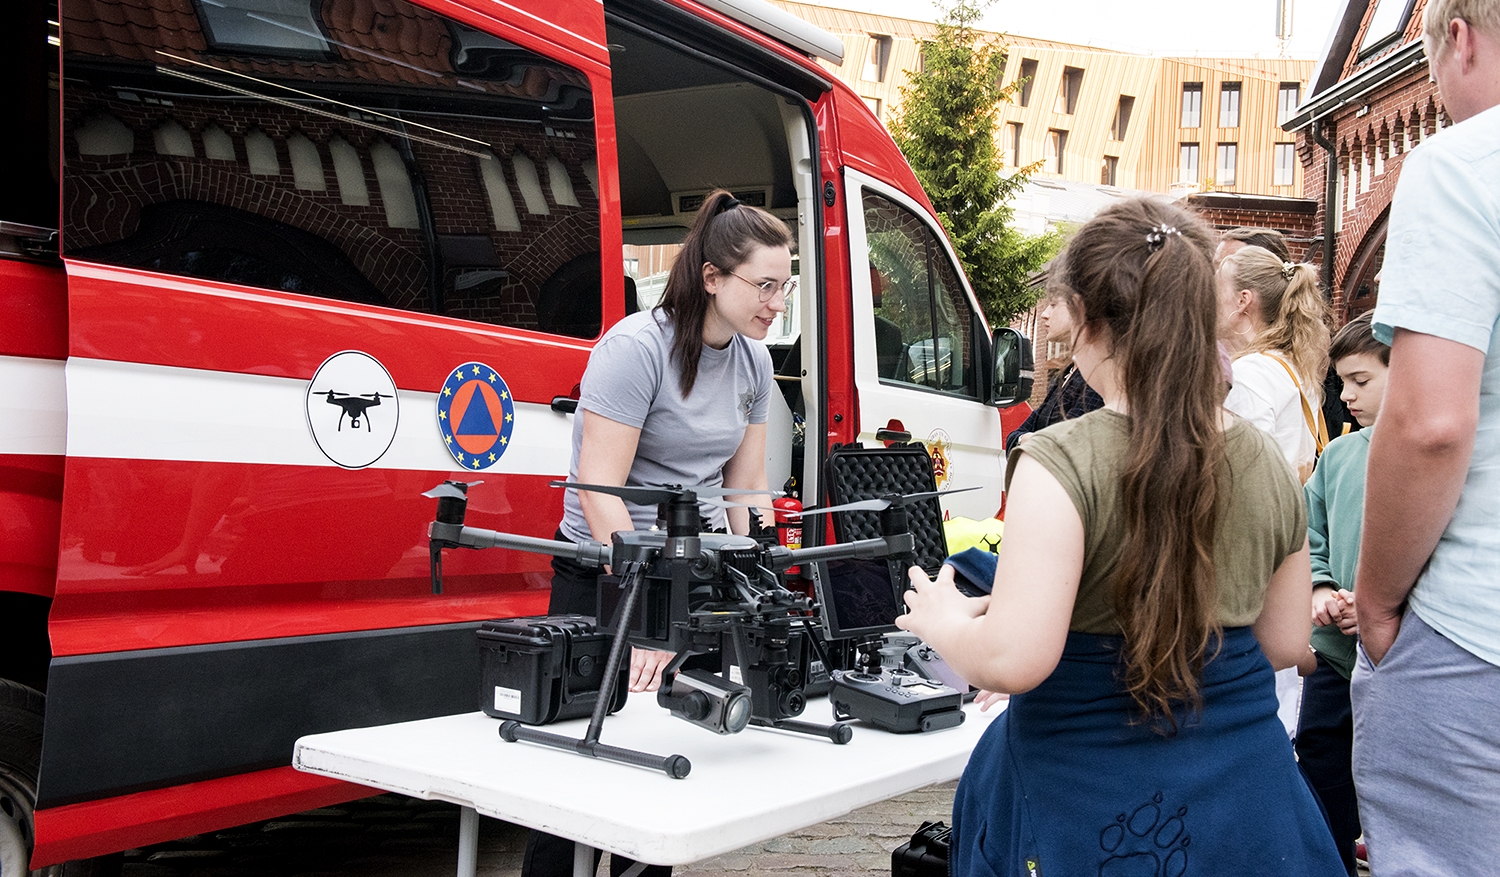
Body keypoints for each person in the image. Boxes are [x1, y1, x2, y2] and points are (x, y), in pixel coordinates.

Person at [895, 197, 1344, 876]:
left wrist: (943, 619)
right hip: (1249, 811)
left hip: (1090, 811)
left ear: (1085, 318)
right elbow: (1282, 642)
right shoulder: (1270, 464)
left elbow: (1013, 660)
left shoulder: (1058, 461)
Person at [524, 189, 791, 877]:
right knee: (576, 782)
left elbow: (746, 491)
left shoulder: (755, 364)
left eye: (783, 287)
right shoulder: (635, 348)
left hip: (691, 578)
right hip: (605, 580)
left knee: (671, 776)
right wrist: (644, 621)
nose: (776, 302)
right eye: (764, 285)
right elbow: (599, 488)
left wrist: (776, 586)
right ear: (711, 277)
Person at [1352, 2, 1500, 874]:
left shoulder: (1462, 166)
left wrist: (1375, 602)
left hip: (1475, 631)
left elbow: (1432, 422)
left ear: (1462, 38)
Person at [1217, 244, 1330, 736]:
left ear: (1243, 300)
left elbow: (1242, 472)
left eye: (1216, 285)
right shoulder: (1287, 367)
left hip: (1253, 561)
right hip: (1285, 551)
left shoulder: (1251, 374)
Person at [1298, 312, 1388, 876]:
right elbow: (1310, 533)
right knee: (1322, 767)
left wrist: (1382, 605)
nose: (1347, 395)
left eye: (1362, 381)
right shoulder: (1337, 456)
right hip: (1335, 656)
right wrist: (1323, 586)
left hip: (1402, 660)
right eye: (1342, 383)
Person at [1004, 292, 1104, 451]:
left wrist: (1028, 440)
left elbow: (1062, 449)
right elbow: (1013, 437)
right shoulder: (1065, 374)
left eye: (1053, 305)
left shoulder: (1096, 377)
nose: (1044, 315)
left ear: (1080, 309)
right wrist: (1025, 439)